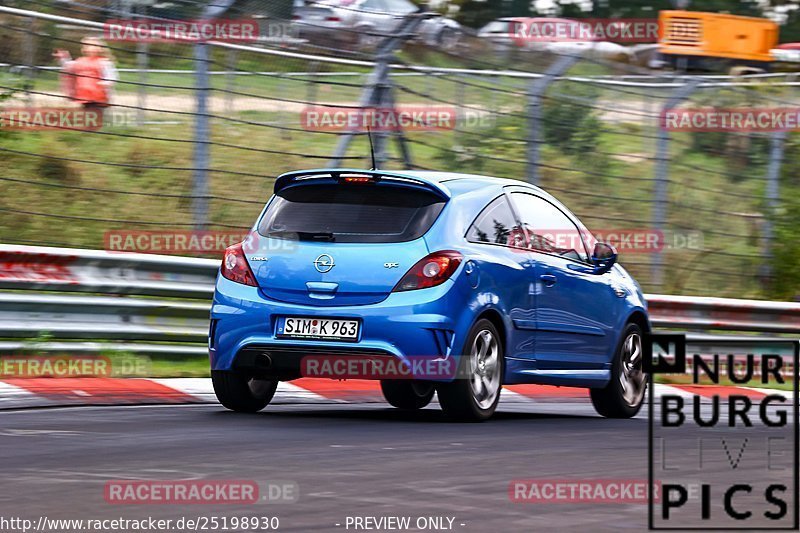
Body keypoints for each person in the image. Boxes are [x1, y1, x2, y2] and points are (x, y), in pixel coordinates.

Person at [53, 37, 118, 119]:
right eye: (85, 45)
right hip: (85, 95)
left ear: (99, 48)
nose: (87, 47)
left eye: (90, 45)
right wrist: (63, 58)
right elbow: (69, 67)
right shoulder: (81, 61)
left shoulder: (104, 62)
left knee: (97, 115)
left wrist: (106, 83)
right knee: (87, 115)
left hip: (99, 96)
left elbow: (111, 76)